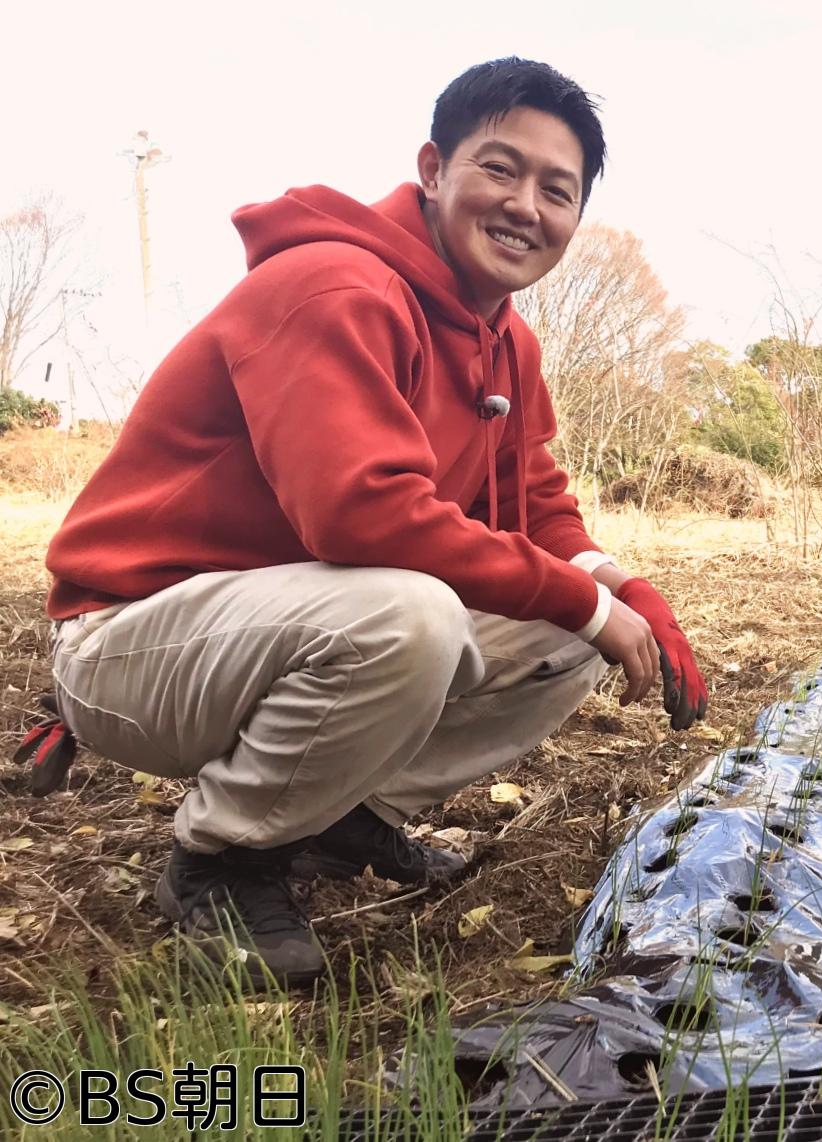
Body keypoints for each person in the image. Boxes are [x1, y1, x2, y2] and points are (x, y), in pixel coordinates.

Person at [35, 58, 707, 985]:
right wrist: (589, 601)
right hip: (130, 641)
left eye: (558, 190)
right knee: (409, 613)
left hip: (281, 628)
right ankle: (221, 862)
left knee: (571, 627)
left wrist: (624, 589)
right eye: (499, 169)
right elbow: (360, 513)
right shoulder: (333, 286)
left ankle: (353, 817)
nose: (525, 206)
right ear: (433, 168)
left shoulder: (506, 343)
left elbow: (541, 504)